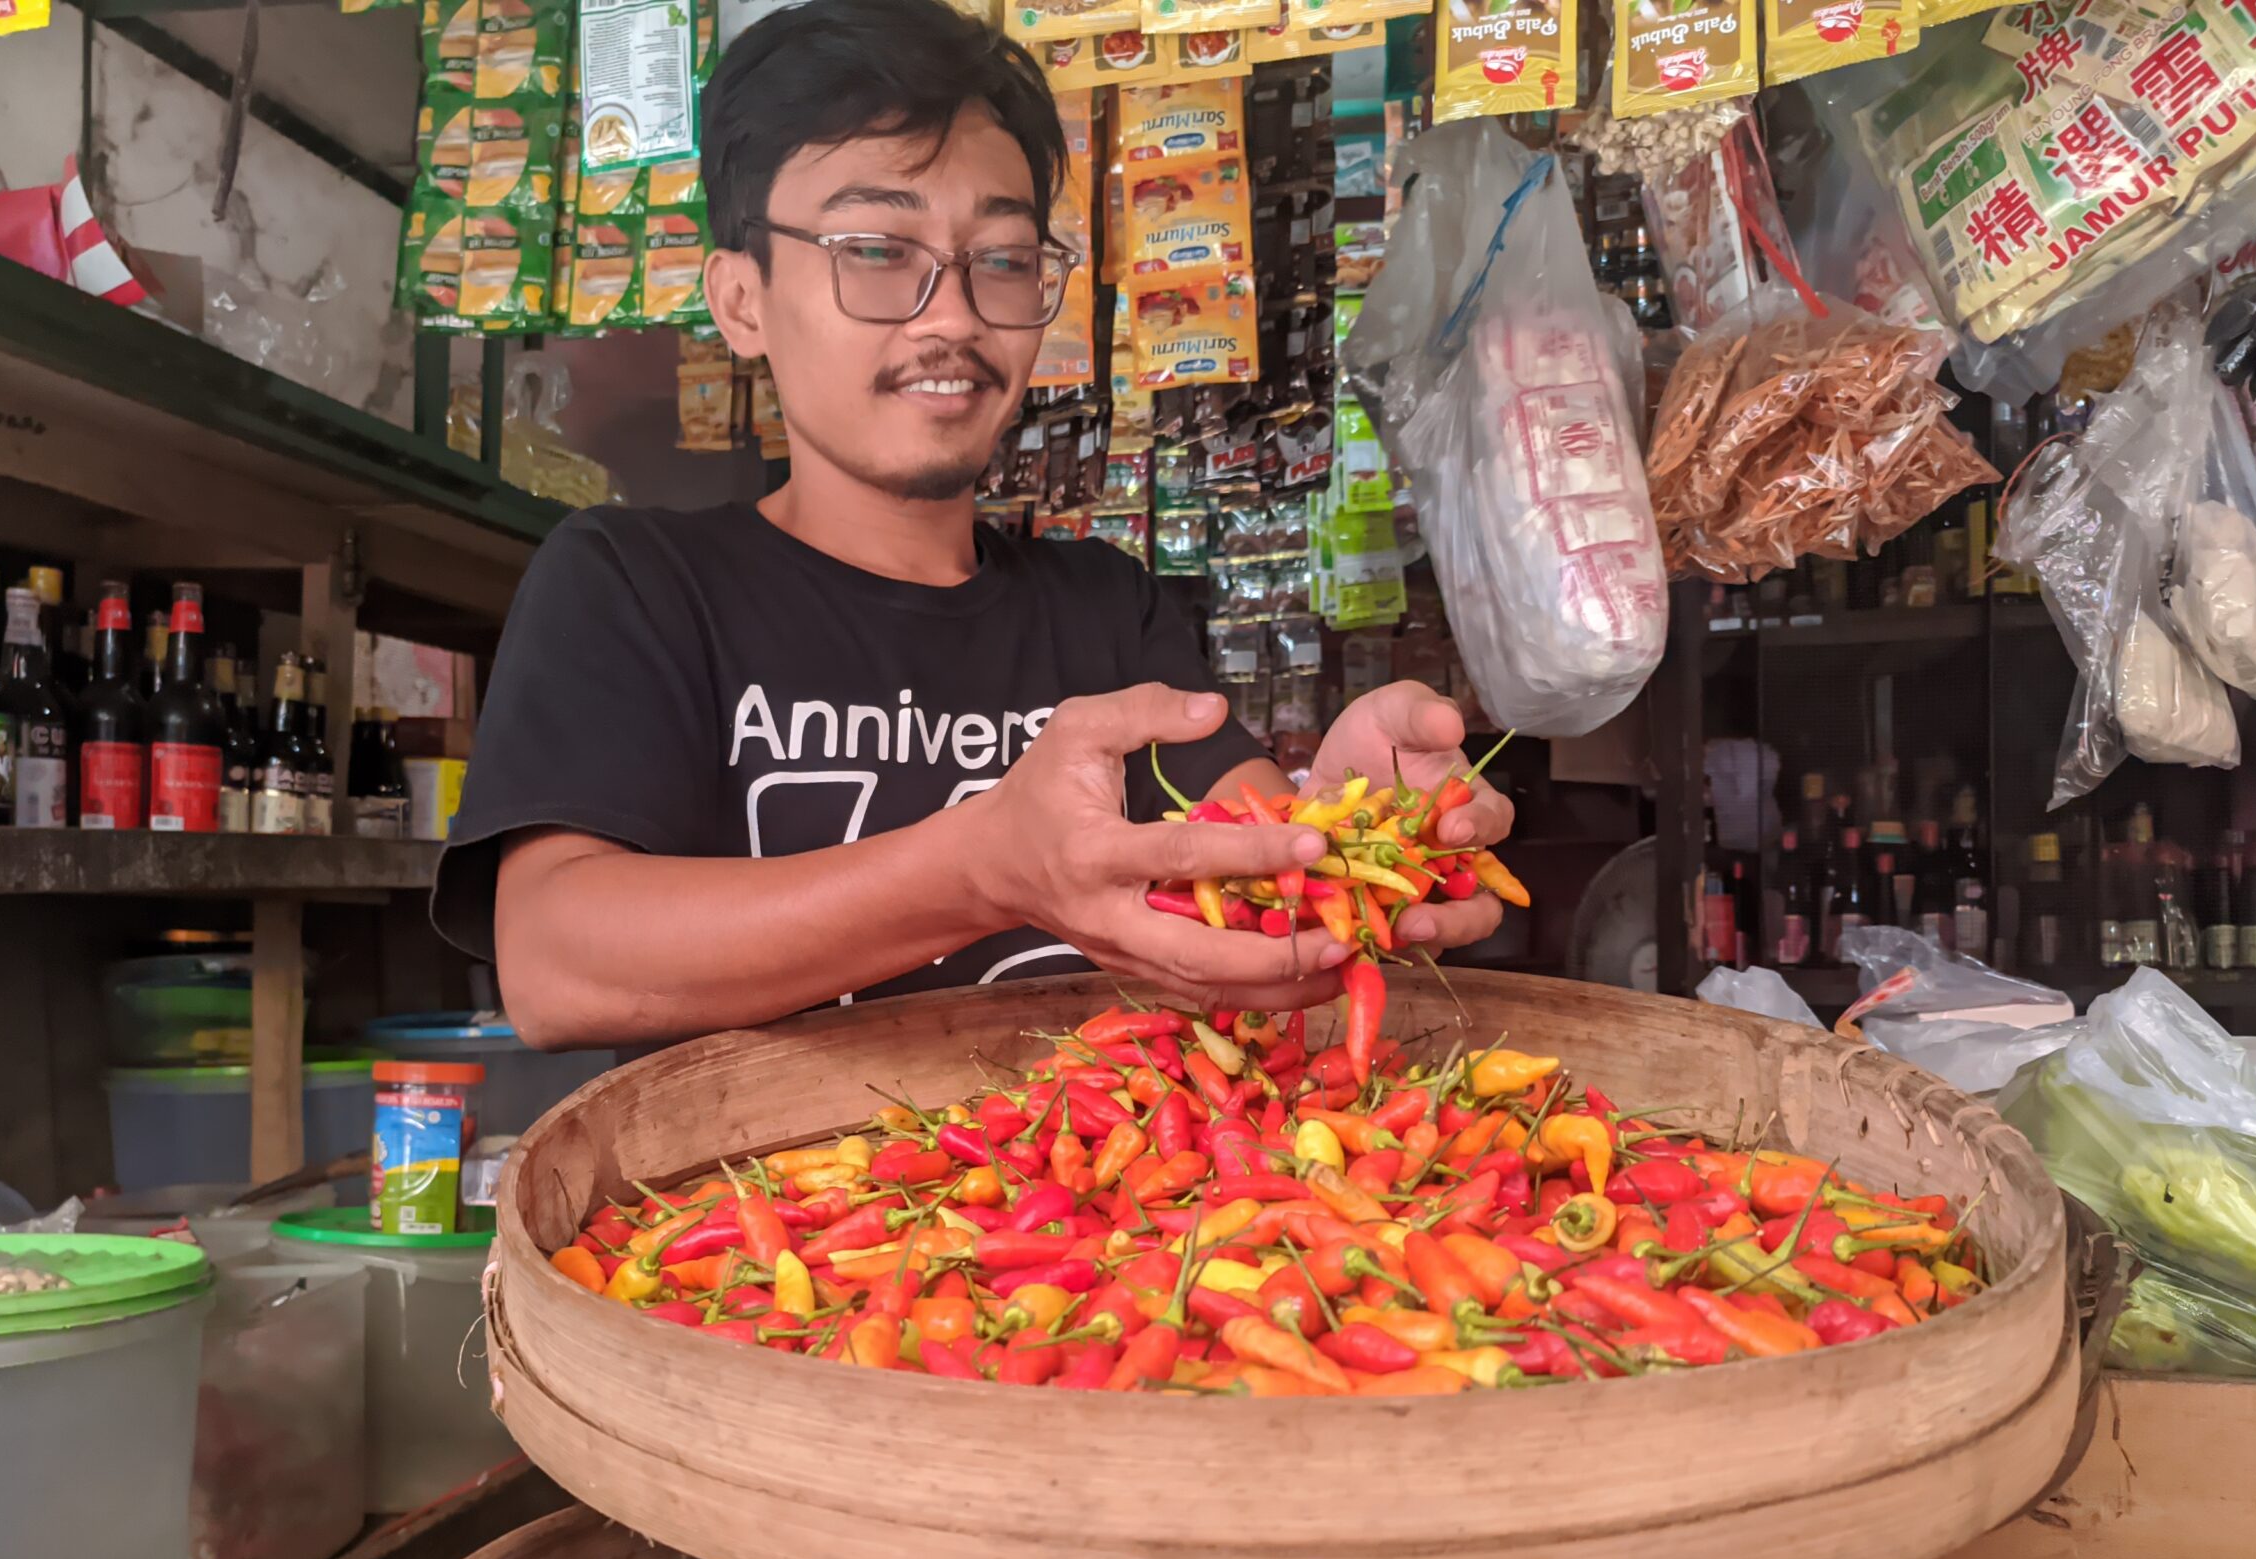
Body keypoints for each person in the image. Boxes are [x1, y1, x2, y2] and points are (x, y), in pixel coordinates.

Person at [432, 0, 1513, 1047]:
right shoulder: (636, 585)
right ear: (740, 299)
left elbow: (1256, 897)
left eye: (1000, 261)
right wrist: (978, 869)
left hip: (1077, 1218)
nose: (950, 317)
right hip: (758, 1224)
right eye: (874, 250)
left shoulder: (1103, 608)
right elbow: (555, 963)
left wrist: (1345, 830)